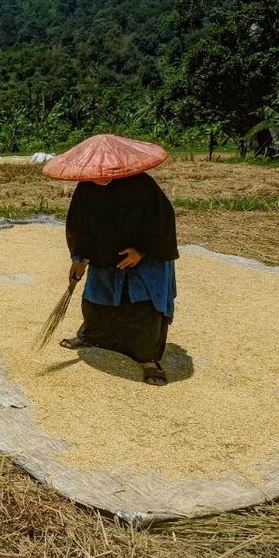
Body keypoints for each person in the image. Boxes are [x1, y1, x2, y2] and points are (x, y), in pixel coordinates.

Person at [43, 134, 178, 385]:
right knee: (96, 302)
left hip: (144, 260)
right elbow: (78, 226)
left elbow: (162, 224)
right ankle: (91, 336)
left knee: (142, 308)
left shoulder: (143, 187)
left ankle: (147, 358)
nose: (98, 175)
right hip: (106, 259)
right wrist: (79, 257)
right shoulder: (86, 189)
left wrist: (141, 252)